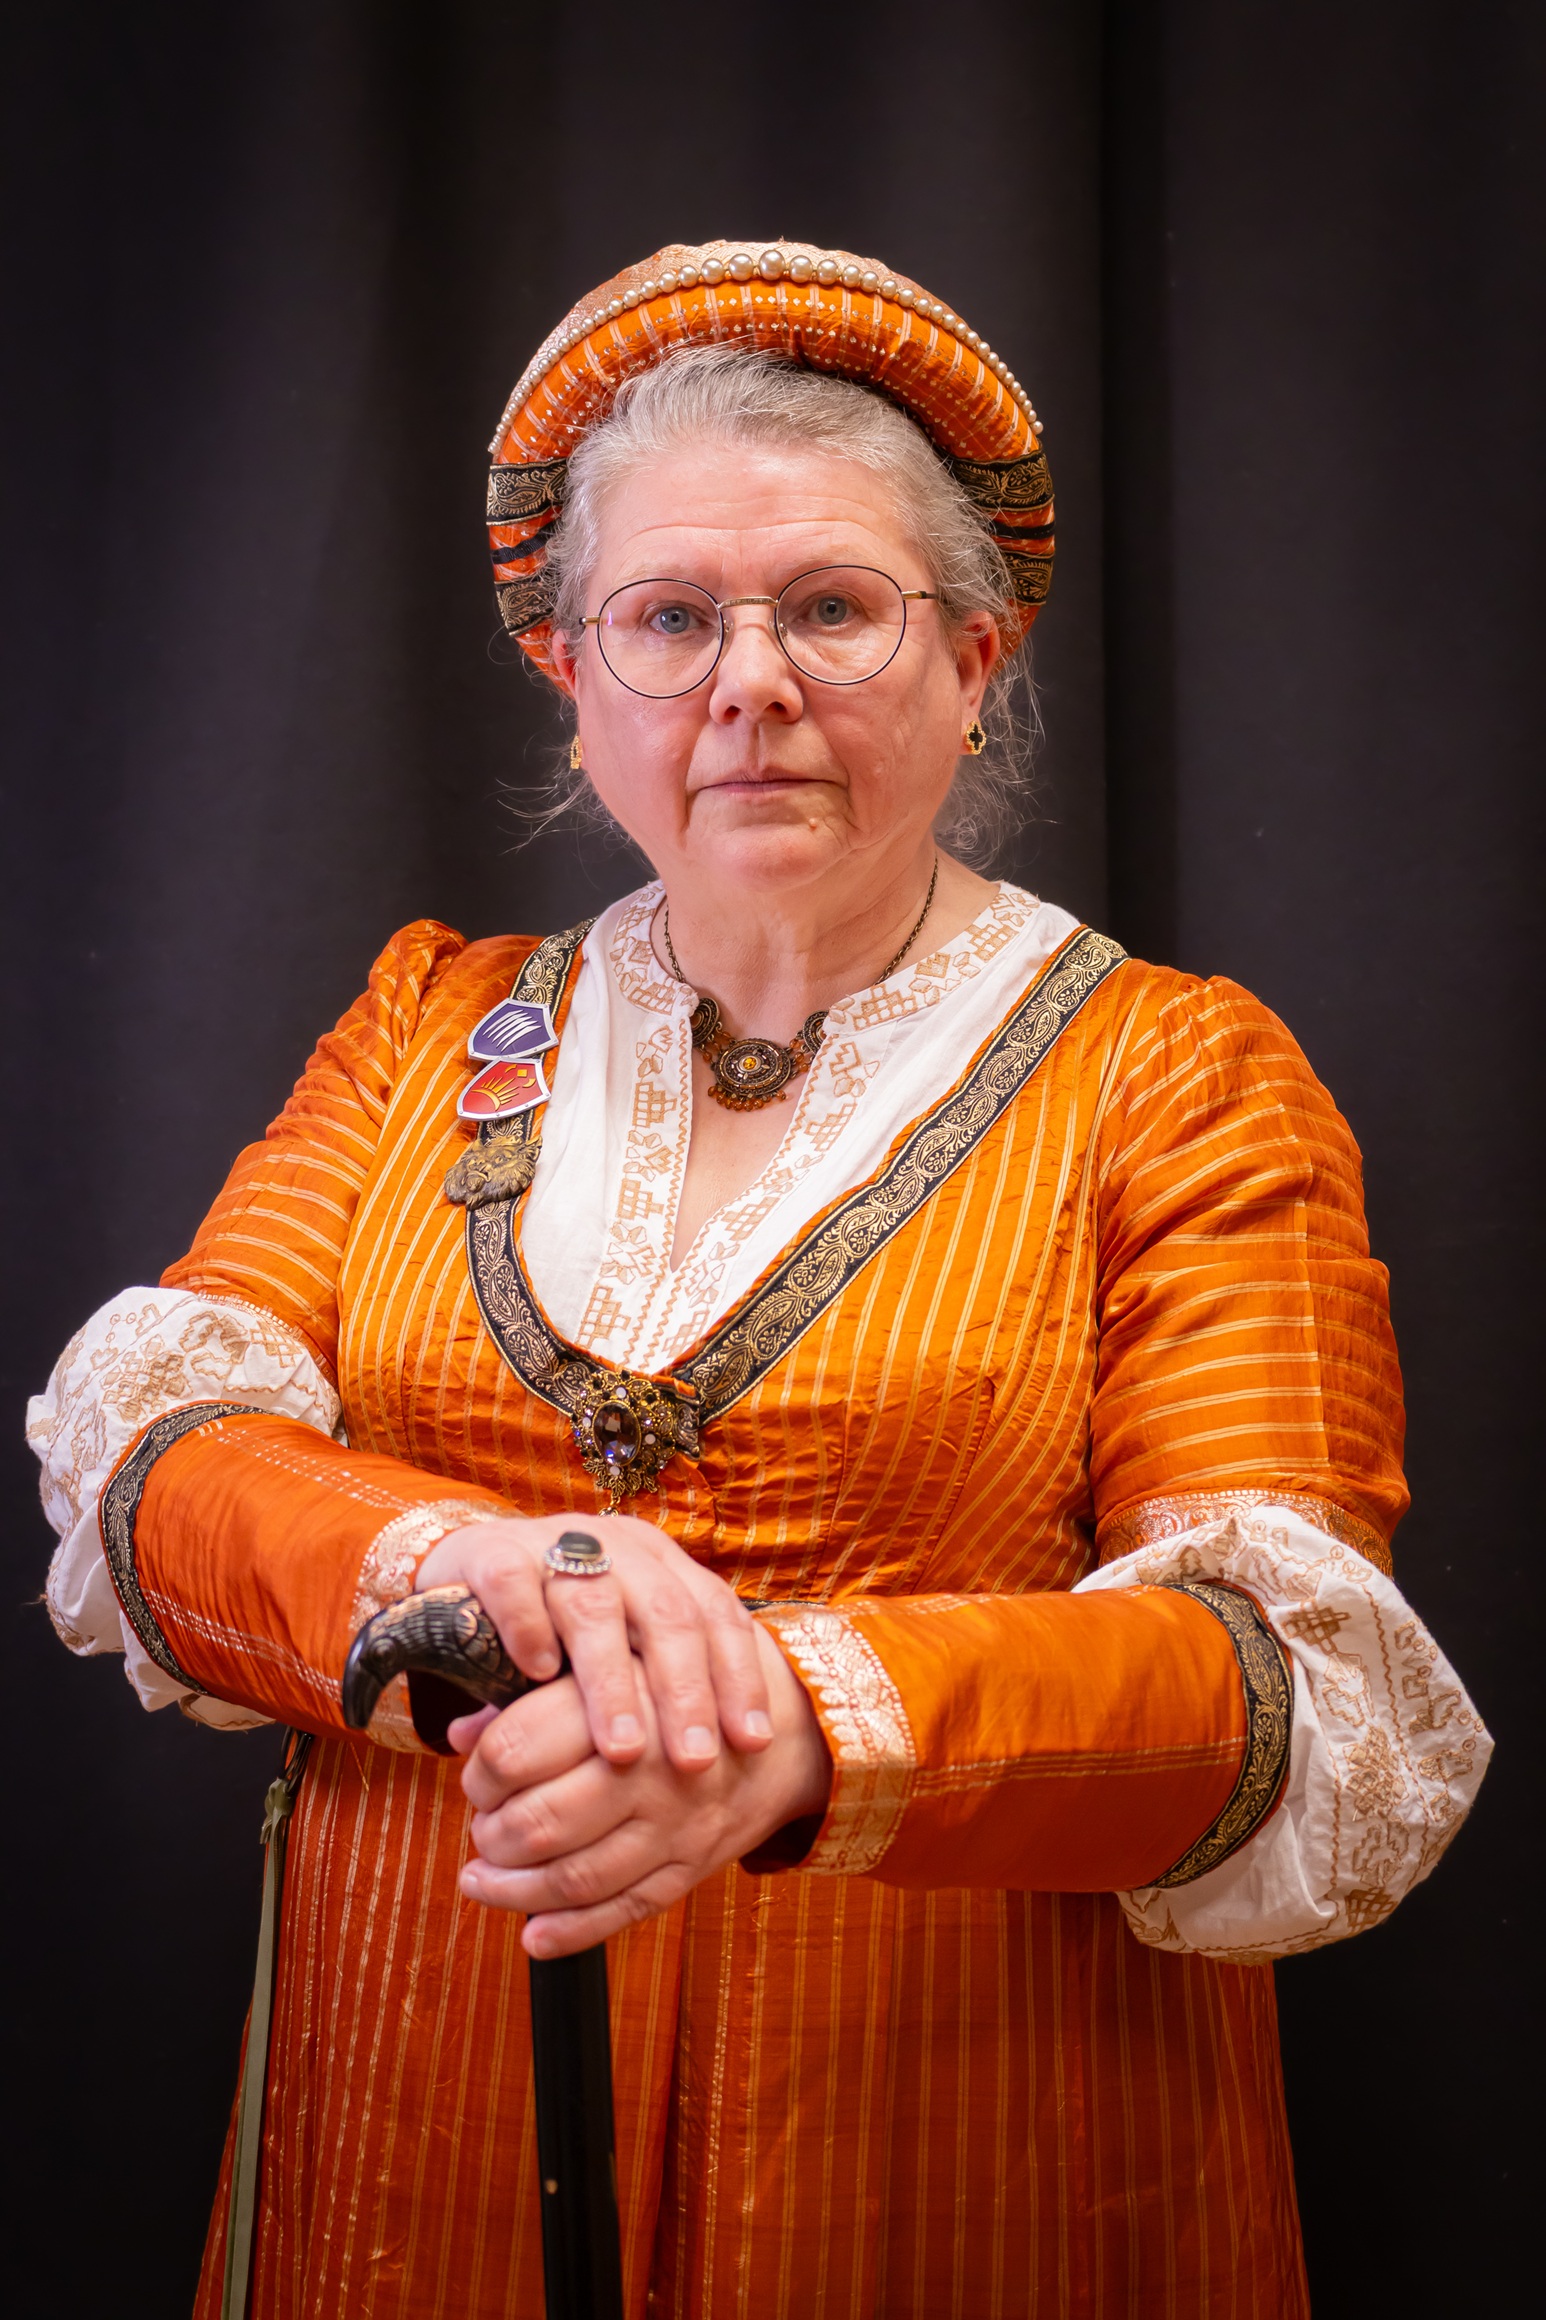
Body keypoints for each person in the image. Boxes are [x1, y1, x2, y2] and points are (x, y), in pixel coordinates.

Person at [29, 240, 1489, 2320]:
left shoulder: (1175, 1075)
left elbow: (1286, 1690)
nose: (748, 682)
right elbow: (153, 1458)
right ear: (572, 678)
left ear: (973, 659)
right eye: (668, 617)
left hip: (953, 2149)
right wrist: (464, 1568)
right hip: (416, 2130)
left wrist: (797, 1730)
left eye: (830, 607)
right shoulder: (424, 1026)